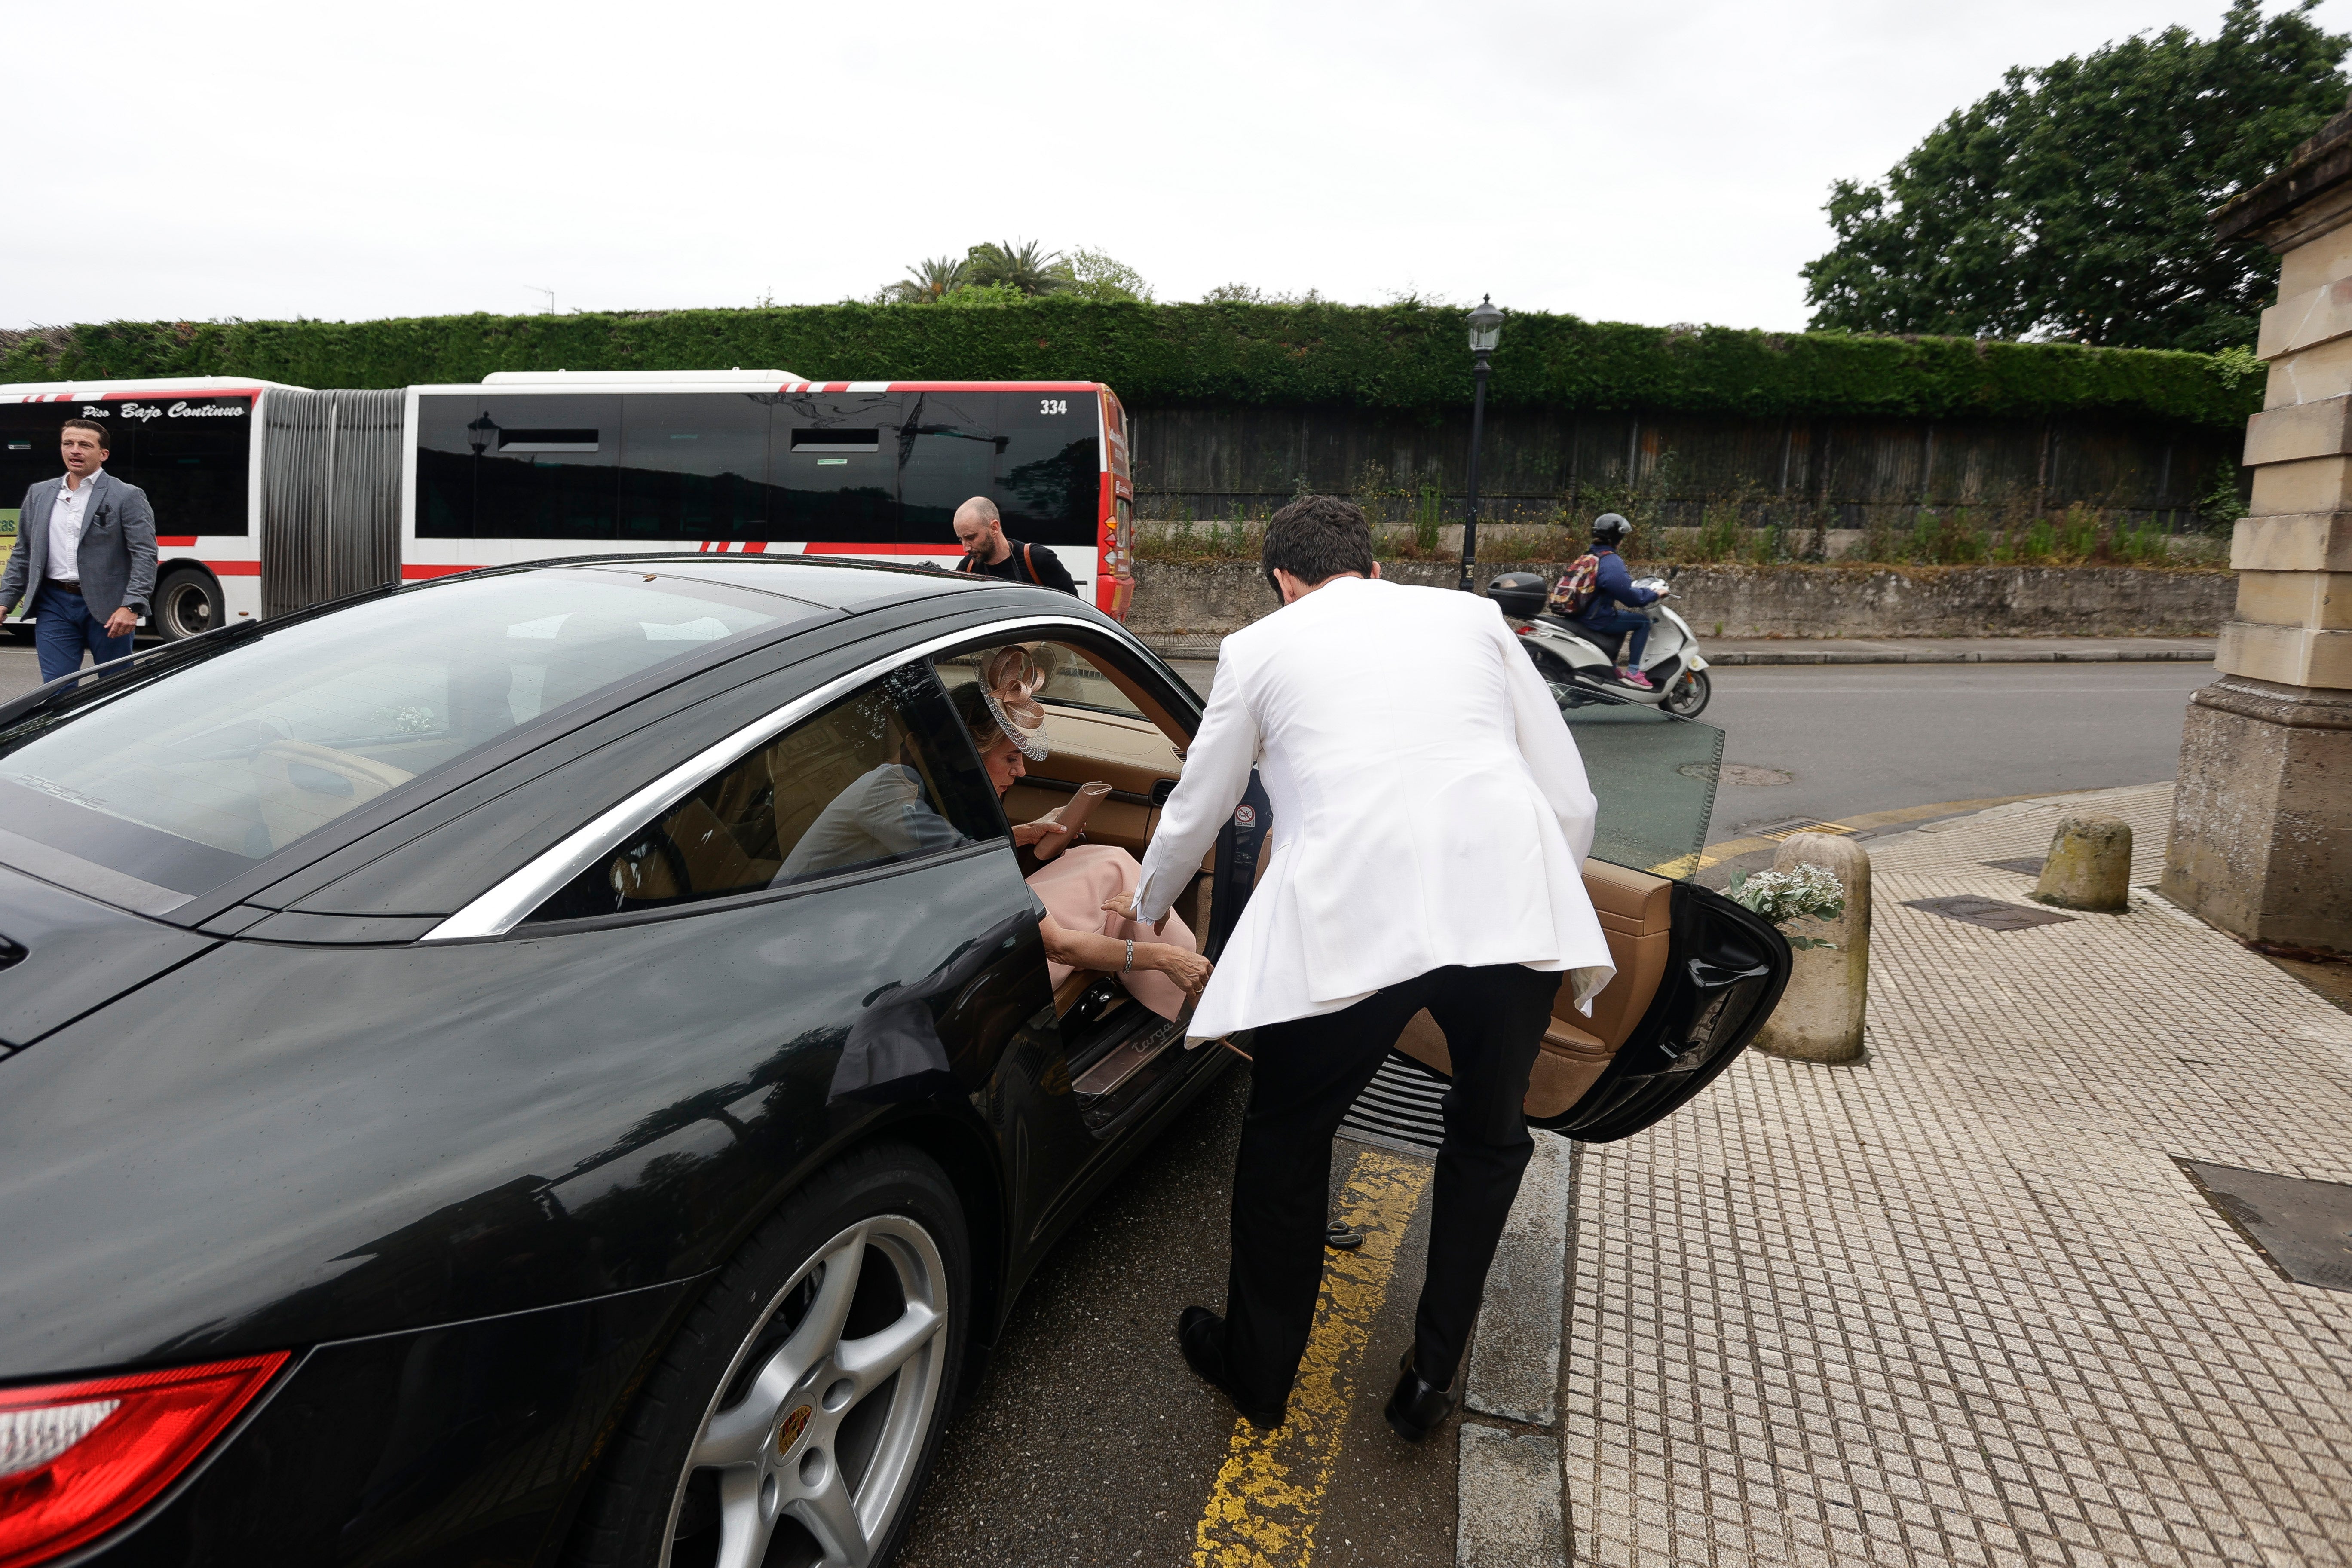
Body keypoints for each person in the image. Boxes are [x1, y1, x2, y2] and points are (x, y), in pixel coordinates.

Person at [1122, 494, 1615, 1441]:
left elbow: (1200, 804)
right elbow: (1570, 796)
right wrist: (1536, 895)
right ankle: (1430, 1378)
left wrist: (1146, 907)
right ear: (1376, 567)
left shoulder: (1257, 649)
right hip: (1508, 916)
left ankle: (1260, 1376)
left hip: (1350, 928)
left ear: (1282, 581)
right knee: (1487, 1140)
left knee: (1288, 1141)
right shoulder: (1474, 618)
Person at [1, 419, 157, 684]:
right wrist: (5, 600)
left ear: (103, 454)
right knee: (57, 687)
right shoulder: (39, 493)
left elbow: (145, 554)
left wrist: (132, 605)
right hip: (54, 604)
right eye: (68, 444)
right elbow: (24, 552)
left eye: (85, 445)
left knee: (116, 685)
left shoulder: (127, 495)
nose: (75, 450)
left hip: (110, 606)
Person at [1565, 511, 1664, 689]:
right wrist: (1653, 594)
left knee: (1623, 617)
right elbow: (1627, 595)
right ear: (1617, 537)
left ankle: (1613, 666)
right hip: (1595, 619)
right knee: (1642, 622)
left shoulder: (1588, 556)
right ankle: (1634, 673)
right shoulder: (1610, 560)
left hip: (1579, 615)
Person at [952, 496, 1078, 596]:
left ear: (994, 528)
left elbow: (1076, 609)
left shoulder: (1037, 560)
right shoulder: (967, 568)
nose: (966, 548)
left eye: (971, 538)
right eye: (961, 539)